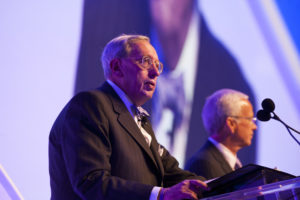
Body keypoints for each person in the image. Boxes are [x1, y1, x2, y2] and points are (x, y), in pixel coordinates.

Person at [49, 34, 208, 200]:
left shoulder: (139, 120)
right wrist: (160, 195)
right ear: (117, 67)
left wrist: (220, 187)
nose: (155, 72)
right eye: (145, 61)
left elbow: (172, 173)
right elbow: (92, 182)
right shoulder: (89, 106)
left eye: (157, 64)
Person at [185, 89, 257, 179]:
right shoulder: (203, 163)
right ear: (231, 123)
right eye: (249, 119)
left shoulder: (232, 163)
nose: (254, 127)